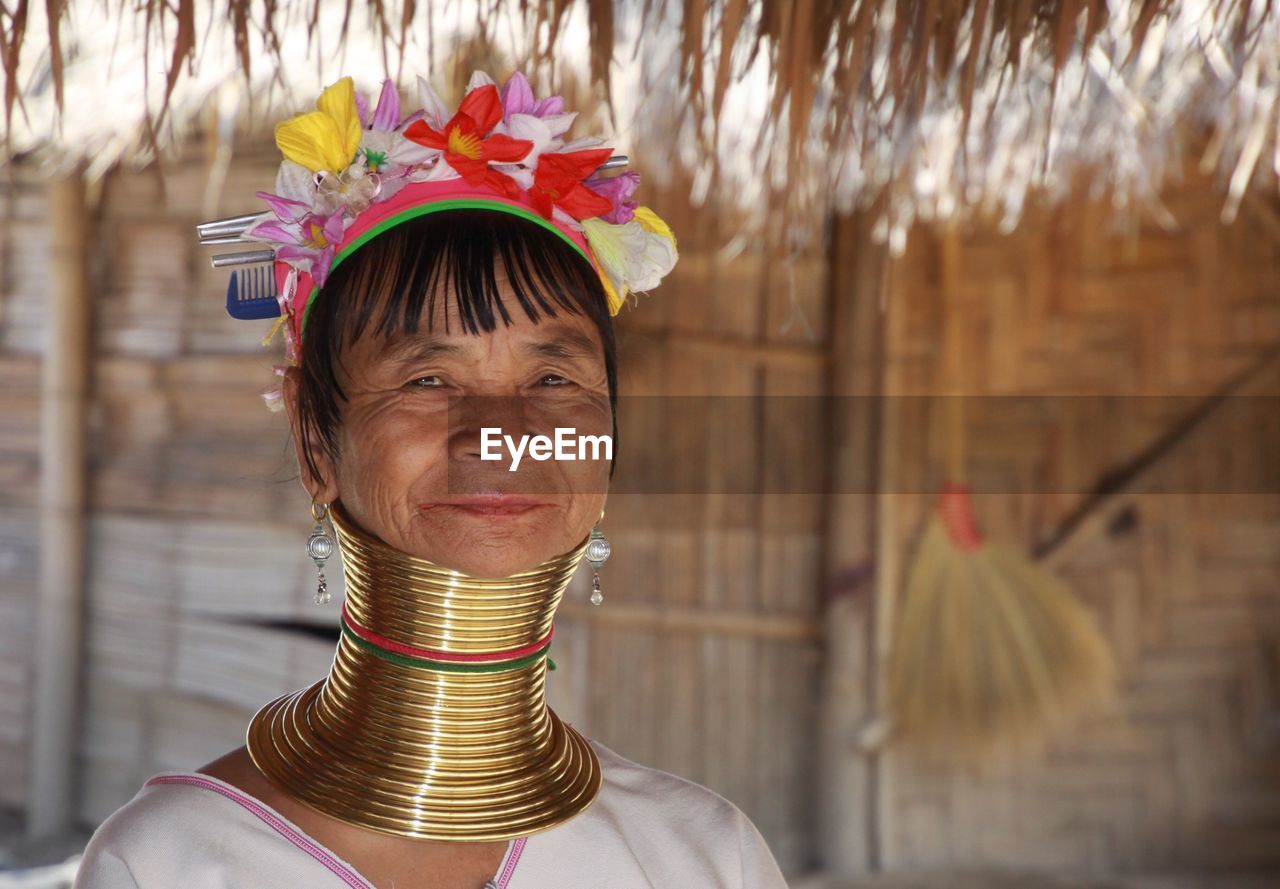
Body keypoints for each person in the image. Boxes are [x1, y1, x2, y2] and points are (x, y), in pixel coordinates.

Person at [73, 72, 791, 888]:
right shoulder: (170, 864)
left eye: (554, 380)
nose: (499, 432)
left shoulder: (701, 856)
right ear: (316, 441)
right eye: (426, 380)